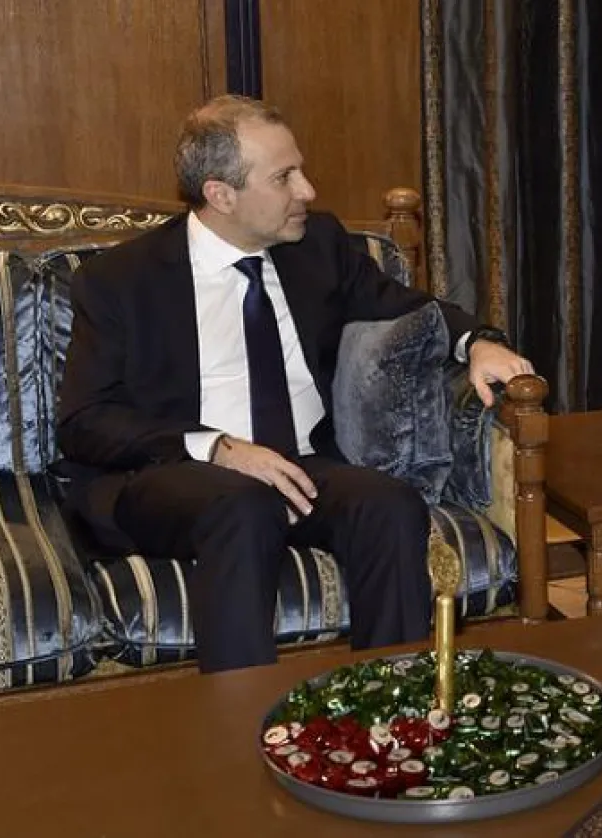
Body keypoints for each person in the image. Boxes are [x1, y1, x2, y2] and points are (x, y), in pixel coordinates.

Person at [56, 95, 534, 673]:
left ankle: (390, 712)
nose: (307, 190)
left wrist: (475, 343)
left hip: (304, 464)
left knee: (389, 506)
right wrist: (218, 448)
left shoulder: (317, 246)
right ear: (220, 194)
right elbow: (84, 421)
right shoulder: (122, 281)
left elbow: (405, 307)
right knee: (244, 504)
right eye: (285, 177)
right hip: (177, 475)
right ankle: (239, 730)